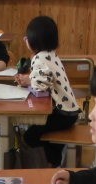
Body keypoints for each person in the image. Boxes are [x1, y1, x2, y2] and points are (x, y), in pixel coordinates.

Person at [14, 16, 80, 167]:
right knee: (41, 132)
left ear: (34, 41)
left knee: (30, 136)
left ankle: (51, 162)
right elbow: (46, 77)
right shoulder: (51, 54)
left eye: (27, 37)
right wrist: (30, 78)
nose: (25, 39)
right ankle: (54, 160)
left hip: (62, 114)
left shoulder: (39, 58)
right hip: (70, 112)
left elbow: (41, 86)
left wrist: (29, 81)